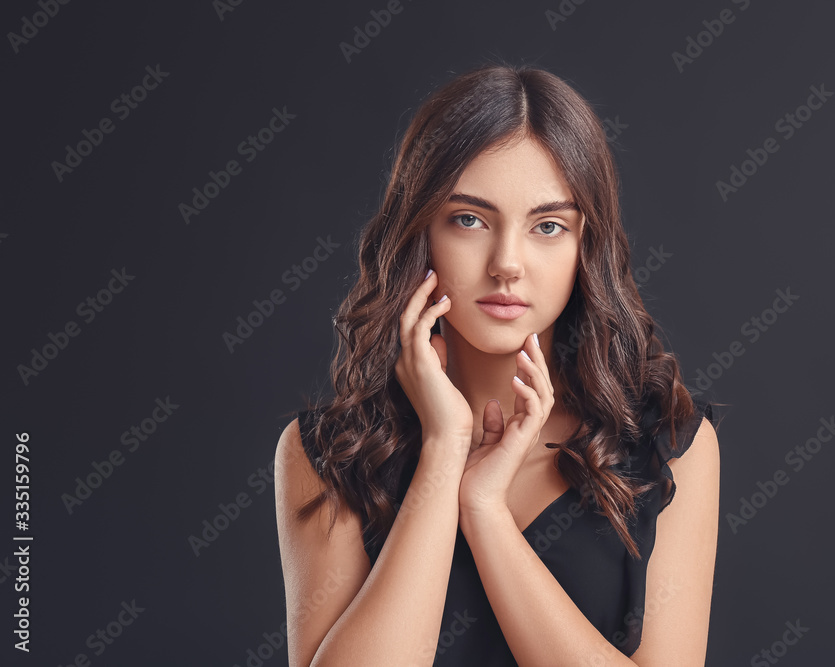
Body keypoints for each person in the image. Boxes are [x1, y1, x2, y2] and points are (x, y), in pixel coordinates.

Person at [275, 60, 722, 666]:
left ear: (585, 246)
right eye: (469, 220)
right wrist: (443, 451)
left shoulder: (667, 447)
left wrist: (484, 512)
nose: (507, 262)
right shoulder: (330, 453)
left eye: (548, 226)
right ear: (420, 234)